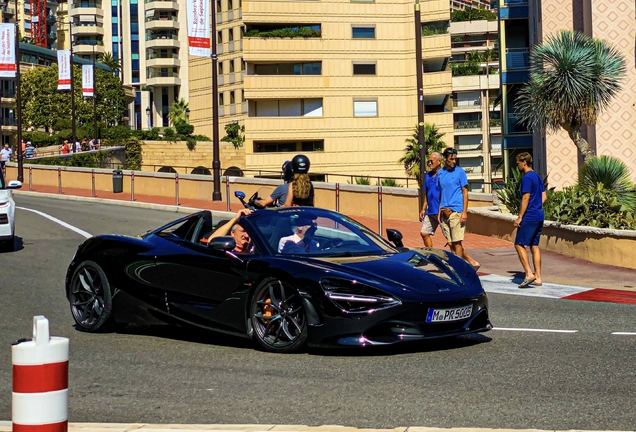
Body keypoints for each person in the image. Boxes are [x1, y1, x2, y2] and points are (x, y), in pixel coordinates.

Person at [437, 147, 480, 270]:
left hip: (456, 211)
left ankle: (460, 269)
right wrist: (439, 209)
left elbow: (465, 192)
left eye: (455, 159)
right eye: (451, 159)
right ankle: (469, 263)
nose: (454, 161)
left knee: (457, 242)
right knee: (450, 243)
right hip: (444, 211)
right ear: (445, 159)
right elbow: (440, 191)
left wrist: (464, 212)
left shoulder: (460, 172)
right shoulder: (440, 173)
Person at [514, 152, 547, 288]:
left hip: (529, 216)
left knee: (519, 244)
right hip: (539, 216)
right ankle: (538, 277)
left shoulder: (527, 178)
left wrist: (520, 216)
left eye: (518, 164)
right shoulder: (538, 177)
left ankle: (528, 273)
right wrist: (537, 206)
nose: (518, 167)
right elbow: (544, 197)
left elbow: (526, 197)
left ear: (524, 162)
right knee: (534, 245)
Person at [419, 152, 442, 247]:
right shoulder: (428, 176)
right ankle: (430, 254)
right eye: (428, 161)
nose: (429, 163)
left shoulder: (444, 175)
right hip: (430, 212)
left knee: (451, 240)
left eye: (431, 161)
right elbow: (426, 194)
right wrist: (424, 208)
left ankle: (458, 258)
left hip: (442, 212)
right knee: (424, 233)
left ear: (439, 161)